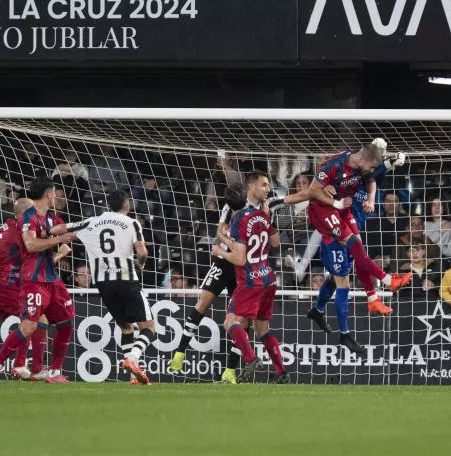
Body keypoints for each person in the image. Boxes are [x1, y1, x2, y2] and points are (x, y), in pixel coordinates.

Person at [306, 140, 411, 351]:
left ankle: (318, 310)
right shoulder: (342, 168)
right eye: (374, 166)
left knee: (338, 278)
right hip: (333, 227)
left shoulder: (364, 174)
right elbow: (316, 190)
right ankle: (347, 332)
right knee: (343, 279)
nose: (372, 172)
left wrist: (388, 167)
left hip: (348, 221)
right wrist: (333, 201)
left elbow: (373, 174)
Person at [0, 179, 76, 384]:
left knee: (67, 322)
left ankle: (53, 372)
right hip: (32, 280)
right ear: (48, 194)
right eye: (55, 192)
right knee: (29, 326)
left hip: (52, 279)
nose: (57, 196)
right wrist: (59, 242)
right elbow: (32, 244)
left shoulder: (50, 217)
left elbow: (59, 229)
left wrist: (82, 229)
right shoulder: (27, 217)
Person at [66, 191, 156, 385]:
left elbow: (61, 229)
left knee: (125, 327)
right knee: (149, 328)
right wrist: (139, 265)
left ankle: (134, 377)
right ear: (126, 204)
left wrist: (47, 230)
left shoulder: (93, 222)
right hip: (126, 278)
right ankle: (132, 359)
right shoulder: (131, 222)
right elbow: (142, 252)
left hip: (102, 283)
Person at [212, 171, 288, 384]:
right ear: (250, 189)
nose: (267, 189)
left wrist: (220, 252)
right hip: (268, 279)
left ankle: (250, 358)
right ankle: (282, 373)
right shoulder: (263, 215)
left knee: (230, 322)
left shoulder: (238, 219)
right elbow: (276, 243)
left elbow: (239, 259)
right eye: (263, 184)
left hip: (250, 280)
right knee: (262, 330)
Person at [170, 183, 247, 379]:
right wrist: (231, 245)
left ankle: (230, 371)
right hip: (223, 262)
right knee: (202, 303)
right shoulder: (228, 207)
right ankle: (179, 353)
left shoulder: (256, 210)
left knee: (241, 319)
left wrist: (234, 247)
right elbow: (220, 232)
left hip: (243, 268)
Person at [0, 198, 44, 380]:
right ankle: (3, 366)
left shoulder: (9, 225)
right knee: (37, 317)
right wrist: (60, 250)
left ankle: (20, 365)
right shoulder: (20, 232)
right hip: (2, 284)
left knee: (30, 318)